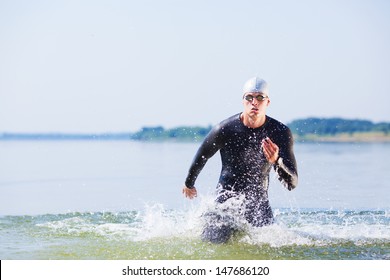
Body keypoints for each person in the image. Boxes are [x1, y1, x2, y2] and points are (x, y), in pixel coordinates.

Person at [182, 77, 298, 243]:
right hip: (226, 202)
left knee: (273, 246)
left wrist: (276, 160)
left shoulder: (279, 132)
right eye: (249, 97)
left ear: (268, 102)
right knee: (211, 245)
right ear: (243, 101)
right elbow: (202, 155)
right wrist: (189, 184)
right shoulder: (225, 129)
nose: (254, 102)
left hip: (258, 204)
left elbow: (292, 183)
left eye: (260, 98)